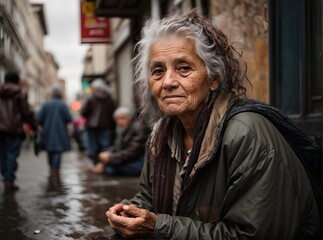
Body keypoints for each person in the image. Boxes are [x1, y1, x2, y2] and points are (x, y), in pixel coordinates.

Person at [104, 9, 321, 239]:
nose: (167, 82)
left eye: (184, 68)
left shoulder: (247, 135)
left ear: (214, 78)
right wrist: (129, 212)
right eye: (158, 71)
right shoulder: (161, 136)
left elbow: (247, 235)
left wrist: (158, 227)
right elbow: (151, 199)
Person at [0, 71, 37, 191]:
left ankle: (6, 175)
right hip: (14, 129)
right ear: (16, 80)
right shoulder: (20, 93)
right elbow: (26, 112)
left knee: (2, 153)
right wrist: (34, 126)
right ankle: (9, 180)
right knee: (11, 154)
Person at [91, 106, 149, 176]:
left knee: (110, 169)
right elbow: (118, 146)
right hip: (130, 159)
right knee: (107, 165)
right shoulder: (123, 129)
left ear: (130, 118)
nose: (120, 121)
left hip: (140, 161)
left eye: (123, 118)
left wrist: (110, 158)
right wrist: (107, 155)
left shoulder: (139, 128)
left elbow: (132, 152)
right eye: (117, 119)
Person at [36, 86, 72, 177]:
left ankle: (52, 168)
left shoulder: (46, 104)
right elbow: (68, 118)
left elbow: (39, 118)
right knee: (58, 151)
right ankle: (55, 170)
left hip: (48, 131)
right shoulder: (63, 104)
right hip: (60, 132)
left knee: (50, 150)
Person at [81, 78, 116, 166]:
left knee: (92, 147)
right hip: (106, 126)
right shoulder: (109, 97)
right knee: (105, 146)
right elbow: (112, 111)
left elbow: (84, 112)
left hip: (92, 127)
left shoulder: (91, 97)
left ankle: (96, 164)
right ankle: (104, 164)